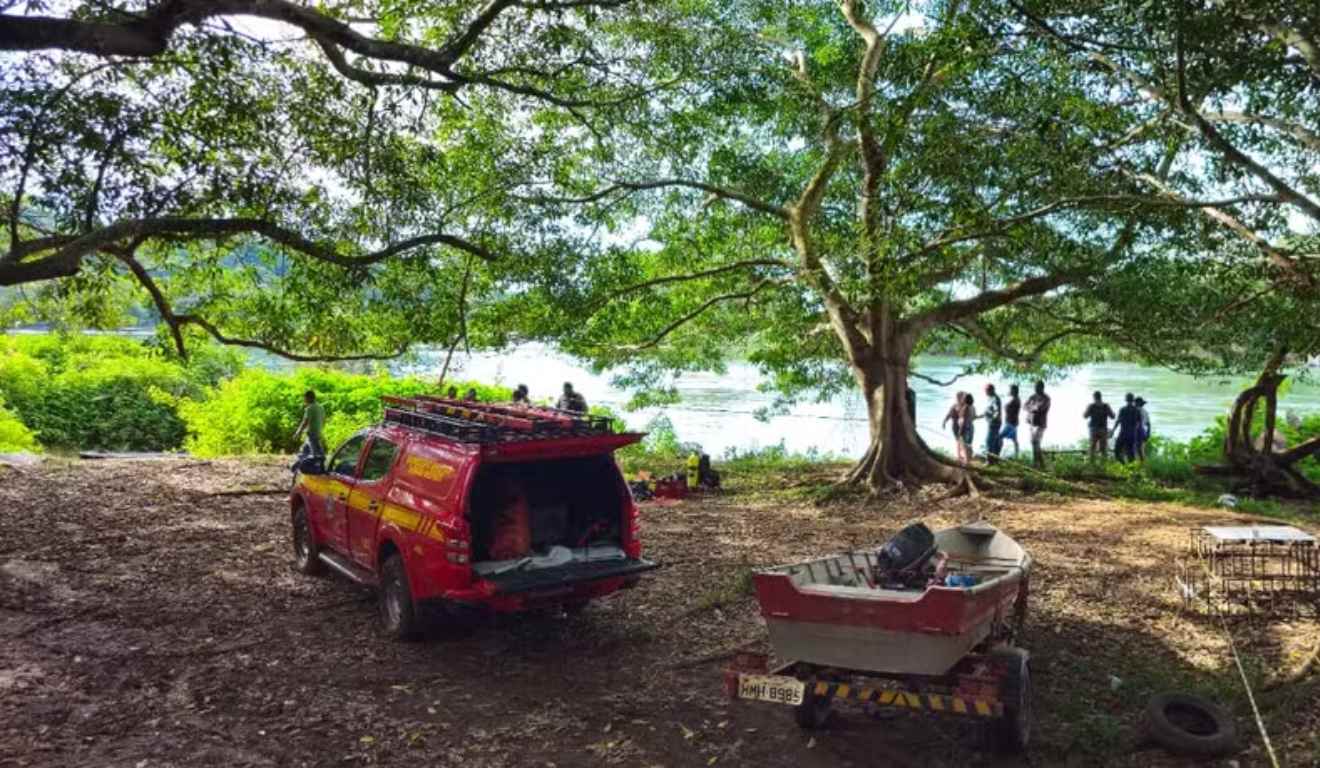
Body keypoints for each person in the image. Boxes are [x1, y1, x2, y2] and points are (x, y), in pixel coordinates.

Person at [291, 390, 325, 464]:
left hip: (312, 433)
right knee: (304, 450)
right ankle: (297, 466)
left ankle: (320, 469)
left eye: (305, 398)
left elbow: (305, 422)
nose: (304, 400)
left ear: (309, 398)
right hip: (317, 432)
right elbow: (323, 420)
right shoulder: (321, 407)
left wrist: (297, 433)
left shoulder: (310, 408)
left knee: (316, 455)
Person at [1023, 380, 1051, 468]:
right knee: (1034, 443)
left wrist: (1031, 407)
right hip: (1031, 423)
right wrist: (1032, 407)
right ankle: (1042, 464)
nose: (1035, 389)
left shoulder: (1046, 398)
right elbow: (1024, 406)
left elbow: (1039, 409)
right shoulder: (1032, 396)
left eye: (1037, 387)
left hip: (1040, 424)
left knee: (1035, 441)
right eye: (1034, 387)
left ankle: (1036, 464)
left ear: (1042, 387)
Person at [1083, 391, 1116, 462]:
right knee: (1103, 449)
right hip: (1103, 429)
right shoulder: (1106, 406)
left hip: (1093, 429)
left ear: (1094, 397)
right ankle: (1103, 465)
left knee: (1092, 448)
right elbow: (1113, 416)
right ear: (1101, 397)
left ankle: (1092, 464)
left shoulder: (1091, 406)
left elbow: (1085, 416)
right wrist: (1113, 413)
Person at [1114, 392, 1142, 463]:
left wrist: (1113, 431)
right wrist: (1135, 430)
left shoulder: (1123, 409)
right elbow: (1139, 423)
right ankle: (1131, 469)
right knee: (1131, 453)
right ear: (1133, 400)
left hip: (1123, 433)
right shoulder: (1137, 410)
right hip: (1132, 434)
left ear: (1126, 400)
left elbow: (1118, 421)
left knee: (1117, 451)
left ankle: (1123, 465)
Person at [982, 384, 1003, 461]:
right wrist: (979, 416)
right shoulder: (991, 398)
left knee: (989, 441)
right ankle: (995, 459)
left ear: (991, 390)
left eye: (986, 390)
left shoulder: (995, 399)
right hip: (994, 422)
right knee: (995, 441)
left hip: (994, 423)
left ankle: (989, 461)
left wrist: (993, 419)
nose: (985, 392)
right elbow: (988, 411)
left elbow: (997, 411)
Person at [942, 391, 965, 458]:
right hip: (955, 425)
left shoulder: (966, 406)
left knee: (962, 441)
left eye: (963, 397)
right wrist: (944, 422)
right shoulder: (954, 406)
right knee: (958, 440)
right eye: (961, 397)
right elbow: (949, 414)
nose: (962, 398)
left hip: (963, 426)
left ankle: (962, 455)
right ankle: (959, 455)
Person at [1000, 384, 1021, 458]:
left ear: (1014, 391)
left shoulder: (1015, 400)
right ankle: (1017, 456)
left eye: (1010, 389)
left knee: (999, 437)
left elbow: (1008, 408)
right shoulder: (1015, 399)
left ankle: (998, 454)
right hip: (1012, 422)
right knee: (1014, 440)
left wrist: (1005, 406)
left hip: (1011, 422)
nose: (1009, 391)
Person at [1135, 397, 1151, 461]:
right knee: (1141, 450)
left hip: (1136, 432)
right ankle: (1143, 465)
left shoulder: (1135, 411)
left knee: (1135, 450)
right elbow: (1148, 424)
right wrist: (1148, 433)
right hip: (1143, 432)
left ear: (1137, 403)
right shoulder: (1145, 412)